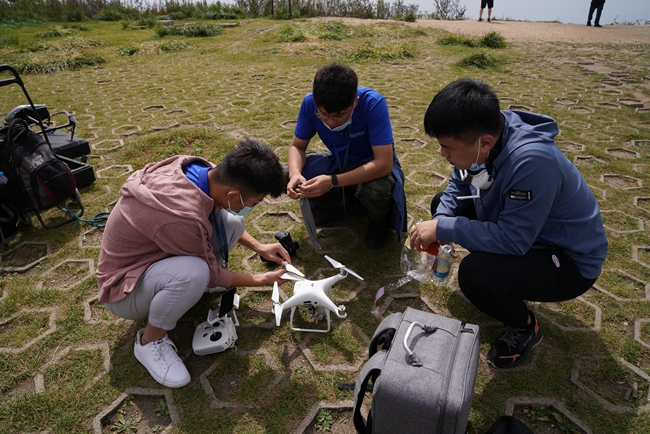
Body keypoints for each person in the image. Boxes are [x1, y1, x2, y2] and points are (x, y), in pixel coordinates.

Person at [410, 78, 607, 369]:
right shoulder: (487, 137)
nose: (442, 154)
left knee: (476, 274)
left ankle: (525, 328)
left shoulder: (533, 162)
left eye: (447, 147)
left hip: (568, 260)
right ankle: (502, 275)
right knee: (442, 206)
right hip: (528, 234)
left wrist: (444, 229)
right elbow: (458, 186)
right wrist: (440, 221)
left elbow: (513, 241)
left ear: (484, 142)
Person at [96, 139, 290, 387]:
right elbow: (208, 272)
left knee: (232, 222)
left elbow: (214, 217)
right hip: (123, 291)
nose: (251, 208)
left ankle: (183, 292)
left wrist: (259, 247)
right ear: (233, 194)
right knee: (194, 274)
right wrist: (261, 280)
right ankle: (150, 341)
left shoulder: (204, 172)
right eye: (252, 203)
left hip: (155, 258)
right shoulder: (182, 215)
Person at [286, 63, 407, 250]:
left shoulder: (373, 104)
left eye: (340, 115)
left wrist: (333, 181)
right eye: (324, 115)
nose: (331, 122)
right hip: (340, 163)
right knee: (289, 173)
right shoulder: (309, 103)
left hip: (372, 167)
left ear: (355, 102)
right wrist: (295, 174)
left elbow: (383, 163)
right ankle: (343, 205)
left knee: (378, 189)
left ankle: (377, 221)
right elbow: (297, 146)